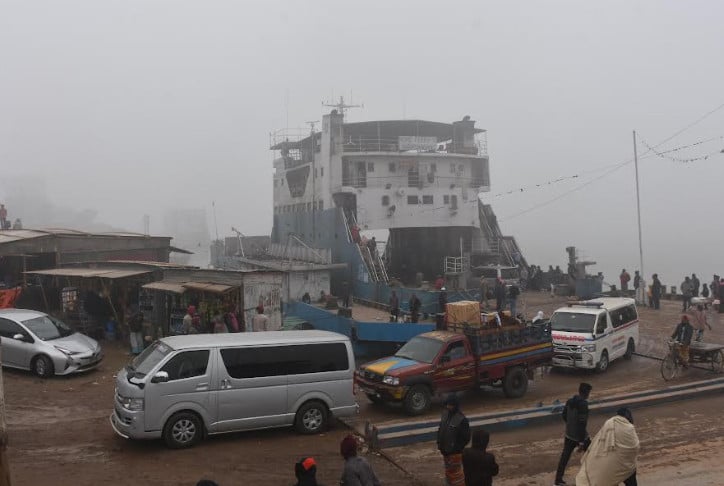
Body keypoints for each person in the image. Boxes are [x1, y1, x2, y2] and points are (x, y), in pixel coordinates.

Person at [576, 408, 639, 486]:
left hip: (610, 464)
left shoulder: (609, 423)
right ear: (628, 416)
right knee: (631, 481)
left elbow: (599, 441)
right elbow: (635, 446)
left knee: (611, 480)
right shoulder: (629, 427)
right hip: (626, 466)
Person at [554, 382, 592, 486]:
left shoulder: (569, 401)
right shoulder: (583, 404)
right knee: (592, 455)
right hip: (581, 436)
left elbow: (564, 415)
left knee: (564, 458)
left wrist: (570, 425)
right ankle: (593, 477)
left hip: (569, 435)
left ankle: (558, 480)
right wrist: (581, 441)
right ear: (587, 393)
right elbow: (582, 423)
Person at [437, 394, 471, 486]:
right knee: (449, 473)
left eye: (451, 405)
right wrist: (439, 443)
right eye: (448, 404)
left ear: (455, 405)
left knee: (456, 476)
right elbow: (441, 429)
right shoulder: (445, 414)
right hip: (445, 451)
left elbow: (466, 438)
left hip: (455, 453)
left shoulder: (462, 420)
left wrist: (456, 449)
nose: (448, 406)